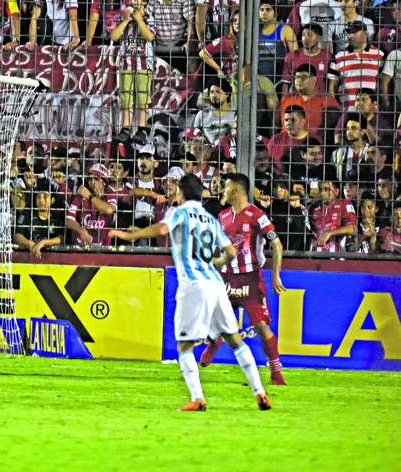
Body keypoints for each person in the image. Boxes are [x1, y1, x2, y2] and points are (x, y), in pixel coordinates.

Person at [109, 173, 272, 412]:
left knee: (184, 345)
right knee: (235, 340)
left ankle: (198, 398)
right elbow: (230, 251)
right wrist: (217, 262)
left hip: (193, 284)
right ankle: (260, 392)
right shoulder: (210, 218)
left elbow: (163, 229)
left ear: (182, 193)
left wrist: (130, 235)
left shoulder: (179, 212)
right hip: (216, 284)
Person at [198, 173, 286, 386]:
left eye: (226, 187)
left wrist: (275, 275)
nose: (223, 190)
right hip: (226, 278)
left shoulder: (257, 215)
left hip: (251, 279)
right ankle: (214, 344)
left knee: (262, 327)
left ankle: (275, 373)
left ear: (236, 190)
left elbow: (277, 244)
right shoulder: (223, 216)